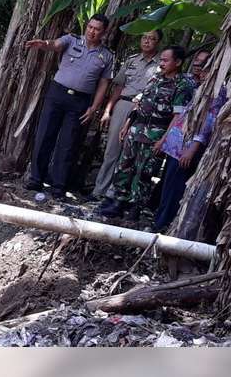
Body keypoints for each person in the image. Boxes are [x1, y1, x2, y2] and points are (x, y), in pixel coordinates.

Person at [99, 45, 195, 221]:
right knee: (125, 166)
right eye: (161, 60)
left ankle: (136, 206)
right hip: (137, 129)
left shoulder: (182, 85)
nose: (161, 63)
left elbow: (177, 117)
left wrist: (164, 140)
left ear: (178, 62)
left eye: (166, 60)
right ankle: (118, 202)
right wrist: (127, 124)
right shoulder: (155, 78)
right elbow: (139, 102)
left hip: (156, 134)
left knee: (145, 171)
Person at [24, 14, 114, 199]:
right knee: (45, 136)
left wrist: (94, 107)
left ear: (104, 32)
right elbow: (55, 45)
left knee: (68, 143)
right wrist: (44, 44)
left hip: (80, 101)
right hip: (57, 94)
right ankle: (36, 179)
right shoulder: (71, 40)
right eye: (90, 27)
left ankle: (58, 185)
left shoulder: (106, 56)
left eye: (97, 29)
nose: (92, 31)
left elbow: (104, 83)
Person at [152, 50, 225, 231]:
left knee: (176, 187)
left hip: (187, 148)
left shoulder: (216, 89)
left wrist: (193, 148)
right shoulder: (199, 85)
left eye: (202, 65)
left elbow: (209, 121)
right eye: (197, 64)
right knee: (168, 185)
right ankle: (159, 221)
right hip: (177, 144)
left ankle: (163, 225)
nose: (198, 68)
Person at [91, 30, 162, 200]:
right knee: (112, 149)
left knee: (132, 153)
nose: (147, 41)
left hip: (145, 110)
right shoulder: (132, 61)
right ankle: (100, 190)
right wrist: (108, 110)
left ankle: (118, 194)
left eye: (152, 39)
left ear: (158, 43)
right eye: (144, 37)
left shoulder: (161, 64)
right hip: (123, 104)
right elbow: (118, 87)